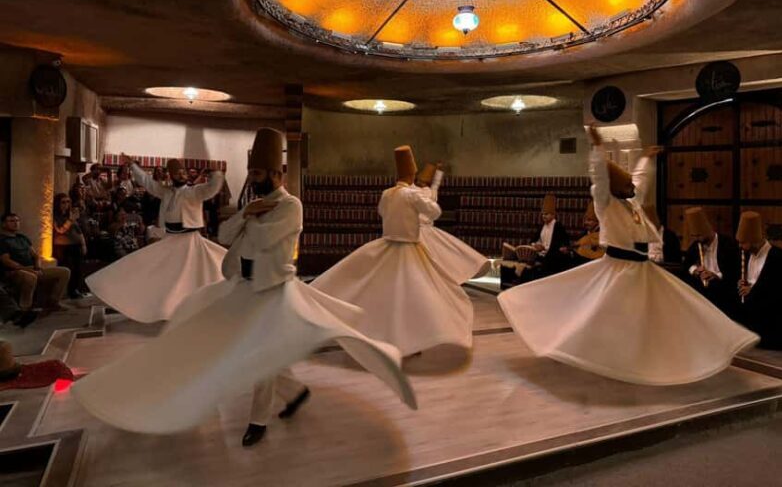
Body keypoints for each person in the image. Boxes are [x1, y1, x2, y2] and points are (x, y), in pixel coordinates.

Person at [73, 128, 416, 447]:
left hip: (273, 290)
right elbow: (224, 235)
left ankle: (258, 421)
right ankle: (294, 393)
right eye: (252, 173)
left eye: (259, 174)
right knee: (209, 334)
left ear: (277, 175)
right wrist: (248, 212)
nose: (253, 179)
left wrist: (250, 217)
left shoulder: (291, 206)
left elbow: (267, 238)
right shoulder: (255, 205)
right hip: (244, 286)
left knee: (260, 352)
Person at [498, 128, 758, 385]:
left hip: (642, 269)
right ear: (615, 188)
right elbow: (599, 178)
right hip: (617, 269)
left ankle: (661, 355)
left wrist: (646, 158)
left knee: (676, 309)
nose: (631, 187)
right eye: (625, 185)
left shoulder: (632, 203)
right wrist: (598, 150)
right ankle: (585, 350)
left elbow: (640, 180)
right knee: (600, 315)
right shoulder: (606, 203)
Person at [311, 146, 473, 356]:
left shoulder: (387, 193)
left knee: (385, 297)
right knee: (416, 297)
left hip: (386, 247)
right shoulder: (412, 195)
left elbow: (382, 211)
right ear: (412, 173)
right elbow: (435, 211)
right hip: (408, 250)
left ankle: (383, 336)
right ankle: (411, 340)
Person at [85, 156, 227, 322]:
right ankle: (164, 307)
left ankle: (191, 308)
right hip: (171, 239)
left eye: (183, 172)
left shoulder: (193, 191)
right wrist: (133, 166)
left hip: (190, 240)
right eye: (177, 173)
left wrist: (217, 175)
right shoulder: (166, 191)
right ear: (171, 175)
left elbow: (210, 189)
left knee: (194, 274)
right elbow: (147, 182)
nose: (181, 175)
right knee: (154, 270)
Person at [414, 162, 488, 284]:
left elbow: (436, 185)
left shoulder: (429, 192)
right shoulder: (414, 191)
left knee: (441, 255)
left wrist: (438, 171)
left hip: (426, 229)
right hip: (417, 229)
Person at [736, 211, 782, 350]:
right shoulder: (747, 255)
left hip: (775, 328)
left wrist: (753, 291)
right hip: (754, 325)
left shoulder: (780, 258)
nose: (740, 246)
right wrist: (744, 285)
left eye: (743, 242)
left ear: (754, 239)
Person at [0, 212, 70, 313]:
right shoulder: (2, 240)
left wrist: (37, 267)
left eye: (17, 221)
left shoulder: (22, 238)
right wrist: (26, 269)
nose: (15, 223)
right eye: (11, 221)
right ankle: (24, 309)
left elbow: (35, 255)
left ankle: (53, 302)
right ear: (3, 224)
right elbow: (6, 261)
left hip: (32, 268)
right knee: (30, 277)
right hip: (14, 271)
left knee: (64, 272)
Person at [682, 206, 740, 318]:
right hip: (702, 294)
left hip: (723, 292)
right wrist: (695, 270)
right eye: (695, 236)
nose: (698, 239)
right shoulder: (696, 245)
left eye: (699, 235)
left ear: (708, 230)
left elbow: (734, 271)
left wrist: (716, 275)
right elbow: (686, 266)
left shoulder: (728, 244)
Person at [52, 193, 90, 299]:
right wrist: (70, 220)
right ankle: (66, 292)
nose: (66, 205)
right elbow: (60, 230)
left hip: (75, 245)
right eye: (63, 202)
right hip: (63, 246)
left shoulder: (69, 215)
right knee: (68, 268)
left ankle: (75, 290)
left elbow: (78, 230)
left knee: (78, 269)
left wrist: (83, 244)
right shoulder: (55, 217)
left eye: (68, 202)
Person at [530, 193, 571, 277]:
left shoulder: (558, 226)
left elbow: (565, 244)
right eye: (543, 214)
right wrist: (536, 245)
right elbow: (532, 241)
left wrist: (546, 248)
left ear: (553, 214)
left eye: (546, 214)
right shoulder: (542, 226)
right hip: (541, 255)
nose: (544, 216)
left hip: (553, 258)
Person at [569, 201, 604, 267]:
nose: (585, 222)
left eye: (589, 220)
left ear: (597, 222)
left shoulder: (602, 235)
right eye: (585, 220)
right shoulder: (584, 234)